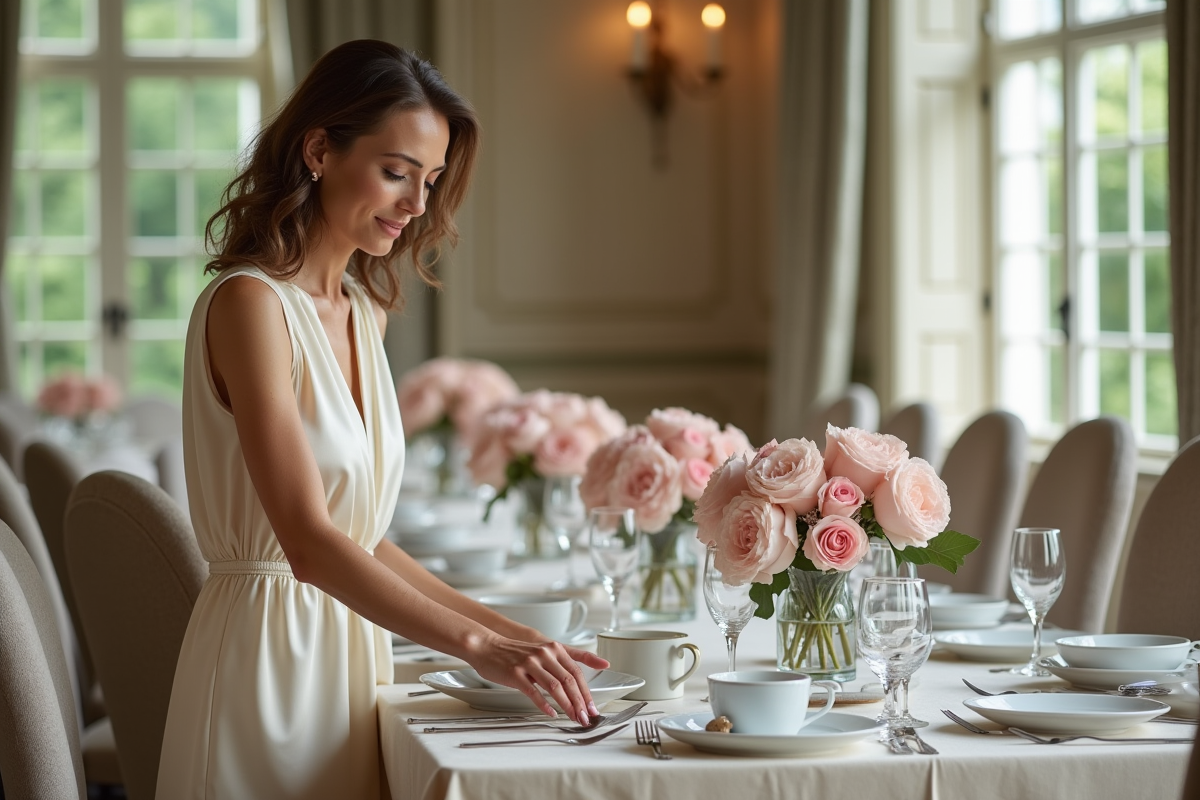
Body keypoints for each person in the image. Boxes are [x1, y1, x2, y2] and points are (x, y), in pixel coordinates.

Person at [156, 40, 607, 799]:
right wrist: (476, 647)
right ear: (318, 151)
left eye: (429, 181)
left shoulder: (366, 314)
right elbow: (308, 543)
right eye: (397, 172)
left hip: (351, 653)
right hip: (268, 663)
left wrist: (509, 633)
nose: (418, 204)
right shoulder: (249, 306)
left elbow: (361, 537)